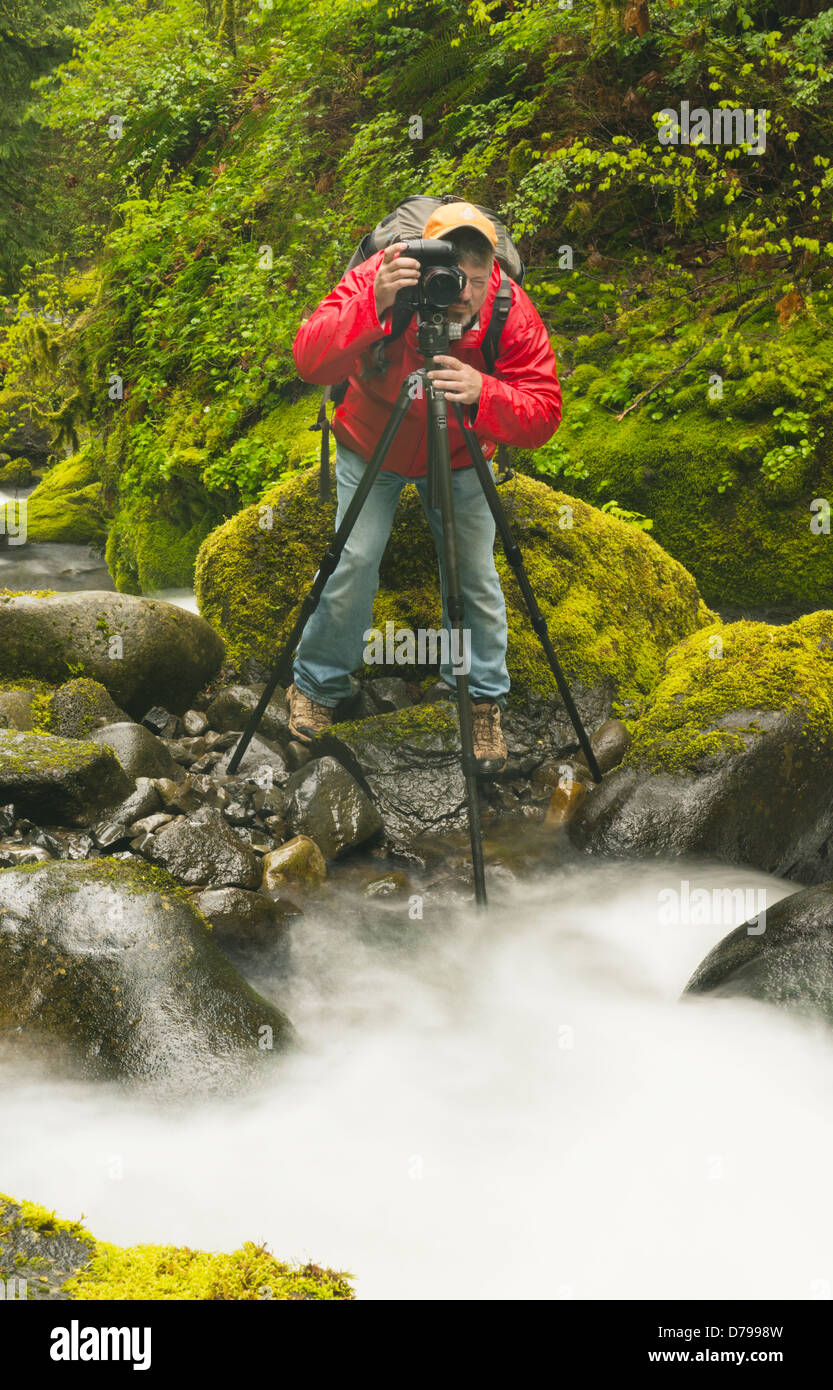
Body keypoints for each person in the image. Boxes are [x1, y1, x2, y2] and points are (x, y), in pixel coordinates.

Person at [287, 201, 562, 773]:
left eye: (476, 284)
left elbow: (543, 412)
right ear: (423, 263)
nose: (461, 296)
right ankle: (316, 684)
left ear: (495, 274)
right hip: (371, 439)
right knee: (354, 559)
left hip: (461, 450)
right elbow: (310, 359)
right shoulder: (384, 275)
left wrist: (483, 391)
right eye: (450, 280)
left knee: (473, 570)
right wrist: (374, 301)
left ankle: (480, 697)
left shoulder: (511, 307)